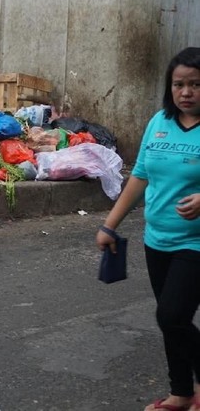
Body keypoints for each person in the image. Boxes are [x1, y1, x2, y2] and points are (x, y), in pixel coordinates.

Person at [97, 47, 200, 411]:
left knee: (170, 315)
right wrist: (109, 225)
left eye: (195, 84)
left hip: (196, 244)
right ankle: (181, 393)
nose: (186, 92)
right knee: (175, 322)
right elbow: (140, 176)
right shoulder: (159, 122)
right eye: (179, 84)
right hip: (157, 240)